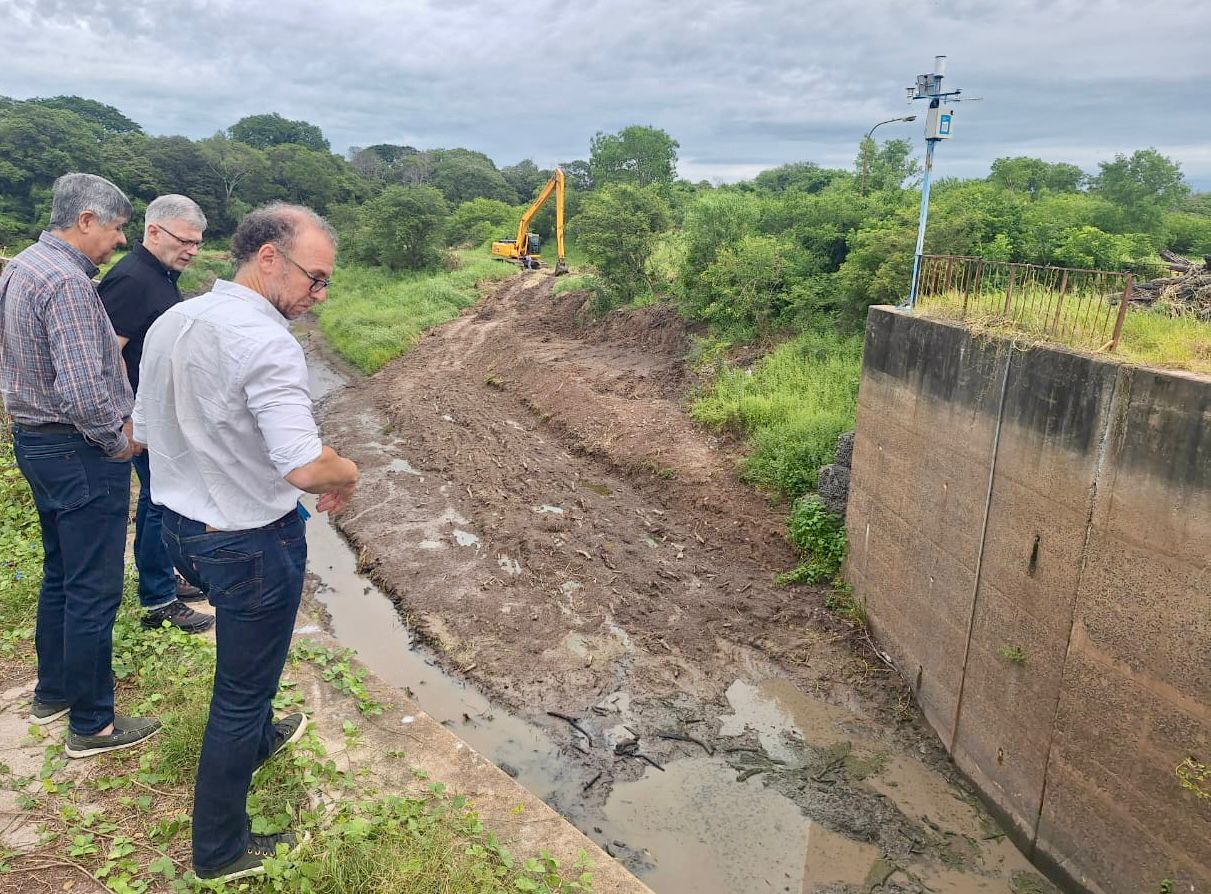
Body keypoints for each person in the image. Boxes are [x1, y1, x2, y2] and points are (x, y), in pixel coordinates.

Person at [135, 202, 359, 883]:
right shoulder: (266, 341)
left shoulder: (173, 321)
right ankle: (221, 851)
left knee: (246, 672)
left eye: (324, 284)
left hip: (179, 530)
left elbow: (140, 430)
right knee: (239, 690)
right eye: (313, 279)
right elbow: (302, 463)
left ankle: (259, 736)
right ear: (268, 258)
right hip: (247, 540)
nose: (316, 296)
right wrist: (349, 470)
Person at [0, 173, 161, 758]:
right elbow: (81, 389)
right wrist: (118, 441)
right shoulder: (66, 282)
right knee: (94, 587)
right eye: (117, 228)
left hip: (38, 442)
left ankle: (54, 693)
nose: (119, 241)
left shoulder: (23, 266)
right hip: (77, 450)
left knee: (62, 572)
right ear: (87, 219)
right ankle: (93, 725)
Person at [98, 195, 214, 634]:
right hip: (141, 418)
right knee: (157, 503)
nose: (192, 250)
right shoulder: (131, 279)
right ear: (154, 232)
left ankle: (165, 578)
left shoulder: (160, 274)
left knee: (161, 500)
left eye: (198, 243)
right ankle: (158, 599)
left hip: (158, 415)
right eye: (185, 240)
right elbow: (106, 359)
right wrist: (128, 420)